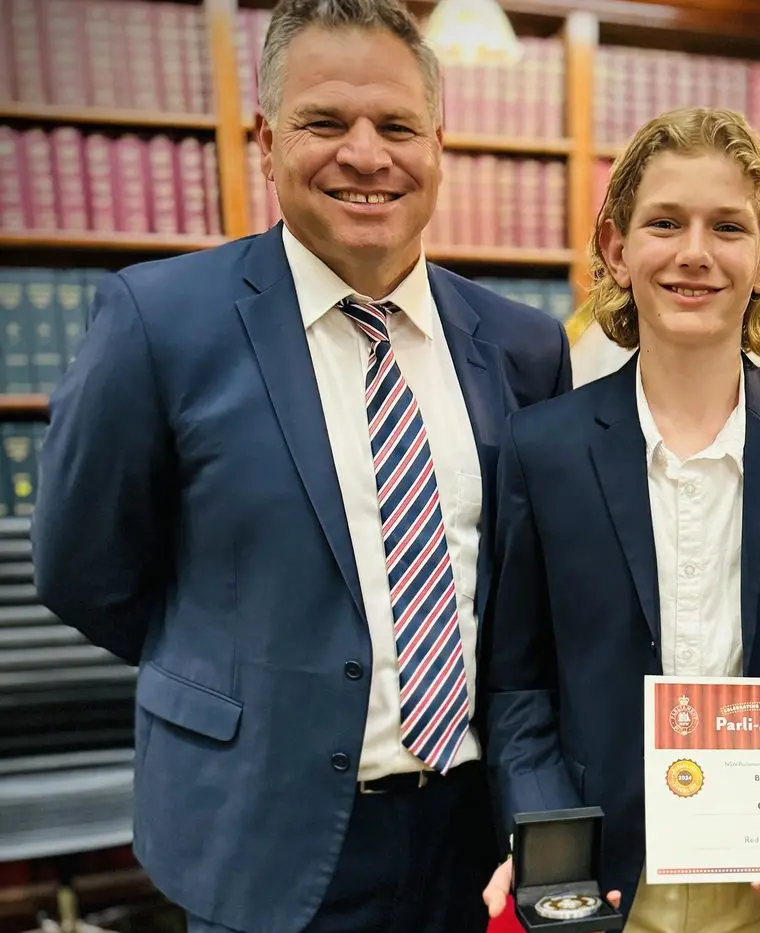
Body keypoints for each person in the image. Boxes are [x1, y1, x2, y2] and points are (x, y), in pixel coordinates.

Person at [30, 1, 571, 931]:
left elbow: (529, 594)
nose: (366, 155)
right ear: (266, 136)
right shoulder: (159, 323)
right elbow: (83, 571)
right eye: (326, 122)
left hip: (474, 835)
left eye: (397, 125)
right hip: (262, 827)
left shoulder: (523, 345)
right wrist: (240, 668)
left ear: (439, 142)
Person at [479, 107, 760, 933]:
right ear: (618, 249)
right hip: (604, 890)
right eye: (666, 223)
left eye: (727, 226)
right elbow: (518, 686)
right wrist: (546, 841)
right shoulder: (541, 448)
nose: (695, 251)